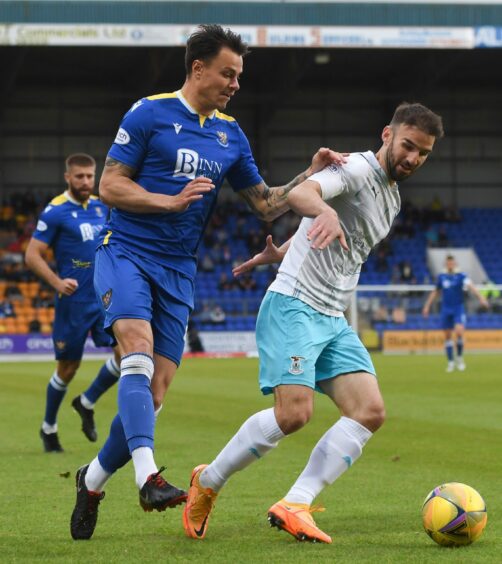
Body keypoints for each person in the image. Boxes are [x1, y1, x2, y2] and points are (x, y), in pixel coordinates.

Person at [70, 24, 344, 541]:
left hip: (178, 269)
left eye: (239, 75)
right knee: (137, 349)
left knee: (151, 395)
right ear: (198, 69)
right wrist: (166, 202)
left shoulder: (230, 134)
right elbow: (109, 184)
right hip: (125, 251)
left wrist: (309, 175)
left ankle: (92, 479)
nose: (235, 83)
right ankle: (148, 475)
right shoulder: (148, 112)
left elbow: (265, 202)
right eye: (227, 73)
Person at [182, 102, 444, 544]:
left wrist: (281, 252)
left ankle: (295, 502)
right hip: (295, 306)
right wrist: (321, 211)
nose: (413, 158)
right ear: (387, 135)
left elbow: (347, 245)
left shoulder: (393, 198)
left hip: (332, 317)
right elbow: (306, 195)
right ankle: (208, 482)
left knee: (369, 412)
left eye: (423, 153)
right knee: (294, 414)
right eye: (408, 146)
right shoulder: (356, 169)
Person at [25, 153, 121, 453]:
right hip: (74, 302)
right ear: (68, 177)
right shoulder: (55, 211)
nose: (85, 182)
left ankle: (87, 401)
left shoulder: (100, 206)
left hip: (104, 297)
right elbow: (32, 255)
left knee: (127, 355)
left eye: (90, 176)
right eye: (79, 176)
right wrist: (56, 283)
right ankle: (48, 427)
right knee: (68, 367)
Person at [422, 255, 488, 372]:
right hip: (446, 309)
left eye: (452, 263)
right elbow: (435, 292)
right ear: (446, 264)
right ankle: (451, 362)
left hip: (458, 308)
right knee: (447, 336)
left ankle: (460, 357)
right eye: (448, 263)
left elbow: (471, 287)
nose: (450, 265)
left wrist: (481, 298)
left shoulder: (461, 276)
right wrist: (427, 305)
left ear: (455, 264)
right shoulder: (442, 277)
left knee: (459, 332)